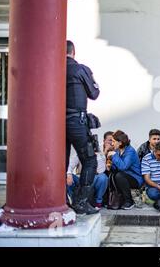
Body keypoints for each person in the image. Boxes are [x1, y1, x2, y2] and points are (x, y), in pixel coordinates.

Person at [65, 40, 100, 215]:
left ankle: (62, 200)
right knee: (90, 161)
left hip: (56, 124)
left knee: (60, 163)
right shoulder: (80, 69)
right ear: (74, 52)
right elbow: (94, 93)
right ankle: (81, 202)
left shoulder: (53, 68)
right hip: (76, 122)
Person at [107, 130, 143, 209]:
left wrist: (114, 156)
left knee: (119, 176)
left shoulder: (130, 151)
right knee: (112, 175)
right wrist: (110, 165)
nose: (112, 144)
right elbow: (117, 167)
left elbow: (123, 166)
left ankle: (129, 201)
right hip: (124, 176)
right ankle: (114, 199)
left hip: (135, 178)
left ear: (120, 142)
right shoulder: (117, 150)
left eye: (113, 141)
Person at [66, 146, 108, 210]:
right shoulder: (80, 154)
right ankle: (72, 201)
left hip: (93, 178)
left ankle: (98, 202)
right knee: (66, 176)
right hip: (81, 179)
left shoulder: (99, 155)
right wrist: (69, 174)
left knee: (103, 177)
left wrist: (98, 156)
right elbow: (70, 165)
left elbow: (102, 170)